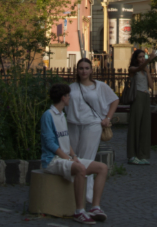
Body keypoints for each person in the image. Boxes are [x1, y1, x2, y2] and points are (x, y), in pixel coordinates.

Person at [41, 83, 109, 224]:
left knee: (102, 168)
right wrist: (68, 159)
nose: (69, 98)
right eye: (68, 96)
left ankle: (95, 207)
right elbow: (50, 143)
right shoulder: (48, 115)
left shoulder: (62, 114)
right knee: (80, 169)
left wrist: (74, 156)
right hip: (52, 160)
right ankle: (79, 211)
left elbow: (65, 139)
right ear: (63, 98)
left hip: (65, 158)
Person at [67, 58, 119, 202]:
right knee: (73, 158)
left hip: (92, 125)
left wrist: (108, 118)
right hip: (73, 125)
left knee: (87, 159)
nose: (84, 71)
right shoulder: (72, 87)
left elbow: (115, 100)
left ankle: (87, 193)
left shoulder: (99, 86)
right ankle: (72, 192)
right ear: (77, 70)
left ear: (91, 70)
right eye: (81, 68)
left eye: (86, 68)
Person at [126, 48, 153, 166]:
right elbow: (137, 68)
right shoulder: (133, 69)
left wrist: (148, 72)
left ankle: (142, 155)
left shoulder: (145, 70)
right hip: (137, 96)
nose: (142, 59)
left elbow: (151, 86)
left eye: (144, 57)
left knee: (145, 126)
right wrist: (148, 60)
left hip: (146, 96)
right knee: (135, 125)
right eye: (140, 57)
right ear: (136, 59)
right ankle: (132, 155)